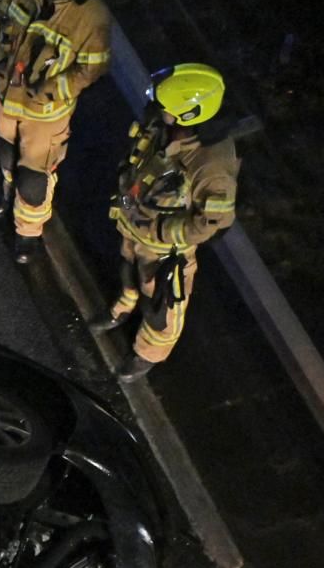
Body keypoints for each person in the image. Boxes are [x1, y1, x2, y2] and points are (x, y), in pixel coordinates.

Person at [93, 64, 239, 382]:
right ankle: (121, 309)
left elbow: (213, 220)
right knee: (128, 270)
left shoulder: (211, 165)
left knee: (162, 309)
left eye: (165, 108)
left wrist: (163, 232)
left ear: (189, 115)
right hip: (134, 226)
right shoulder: (167, 127)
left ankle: (148, 354)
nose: (156, 110)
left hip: (163, 249)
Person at [0, 0, 112, 262]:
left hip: (45, 115)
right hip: (8, 94)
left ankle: (28, 235)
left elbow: (89, 70)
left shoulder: (91, 19)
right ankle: (7, 197)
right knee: (7, 156)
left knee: (33, 179)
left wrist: (49, 93)